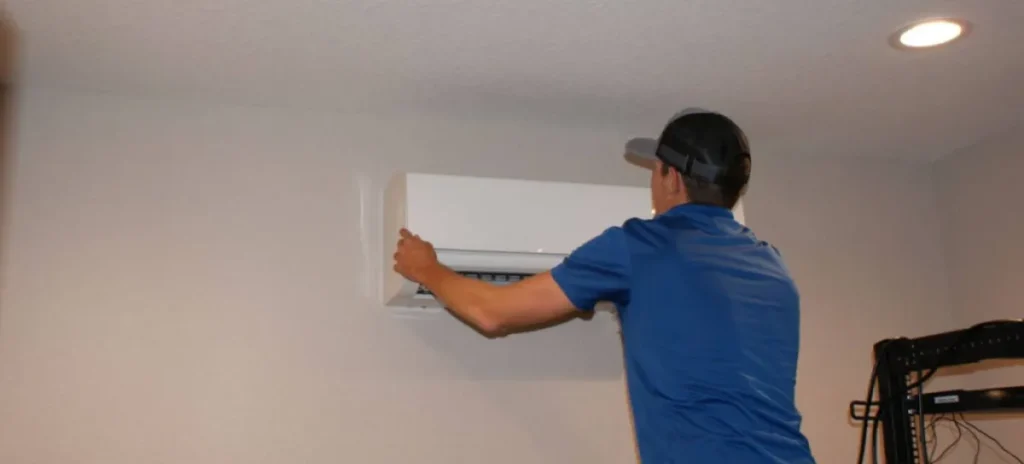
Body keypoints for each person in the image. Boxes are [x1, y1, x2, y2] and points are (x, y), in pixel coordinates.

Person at [392, 108, 816, 463]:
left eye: (655, 168)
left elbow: (492, 314)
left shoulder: (639, 247)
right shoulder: (771, 264)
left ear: (671, 177)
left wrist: (428, 269)